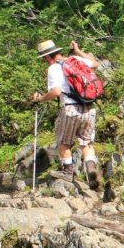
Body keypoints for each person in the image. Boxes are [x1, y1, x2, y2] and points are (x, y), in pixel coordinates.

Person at [32, 39, 101, 190]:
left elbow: (56, 91)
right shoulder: (74, 60)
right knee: (86, 142)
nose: (44, 61)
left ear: (47, 57)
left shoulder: (54, 68)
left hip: (70, 109)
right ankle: (91, 167)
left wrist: (41, 98)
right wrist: (77, 51)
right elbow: (95, 64)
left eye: (44, 59)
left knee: (63, 142)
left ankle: (68, 171)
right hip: (89, 107)